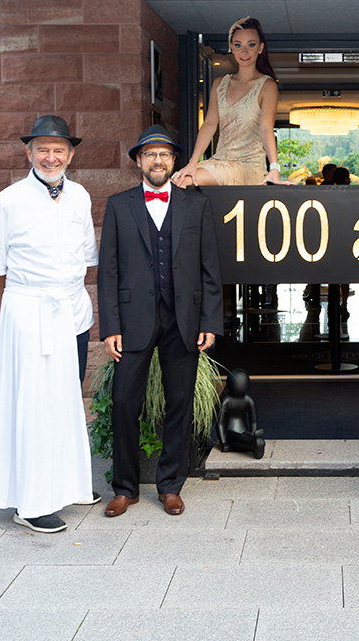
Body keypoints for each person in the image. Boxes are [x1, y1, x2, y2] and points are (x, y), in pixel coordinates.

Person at [0, 115, 99, 534]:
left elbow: (87, 257)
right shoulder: (8, 201)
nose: (51, 157)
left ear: (71, 154)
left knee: (66, 402)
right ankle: (30, 503)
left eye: (59, 150)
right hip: (30, 314)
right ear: (28, 153)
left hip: (73, 312)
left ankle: (67, 483)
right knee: (33, 406)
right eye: (43, 149)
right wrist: (27, 308)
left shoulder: (80, 196)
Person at [98, 126, 224, 518]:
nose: (158, 161)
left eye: (165, 155)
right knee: (124, 402)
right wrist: (110, 326)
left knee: (180, 402)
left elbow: (209, 267)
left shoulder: (196, 205)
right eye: (150, 154)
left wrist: (209, 319)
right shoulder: (119, 205)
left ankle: (170, 486)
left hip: (183, 318)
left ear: (173, 161)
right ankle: (125, 488)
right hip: (132, 319)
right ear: (139, 161)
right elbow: (108, 271)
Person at [175, 17, 283, 187]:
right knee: (177, 181)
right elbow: (209, 124)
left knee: (183, 182)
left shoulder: (267, 85)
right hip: (219, 162)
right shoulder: (220, 84)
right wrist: (193, 163)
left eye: (251, 45)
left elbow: (266, 128)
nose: (244, 52)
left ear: (261, 48)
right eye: (238, 45)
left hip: (249, 166)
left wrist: (274, 167)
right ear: (231, 47)